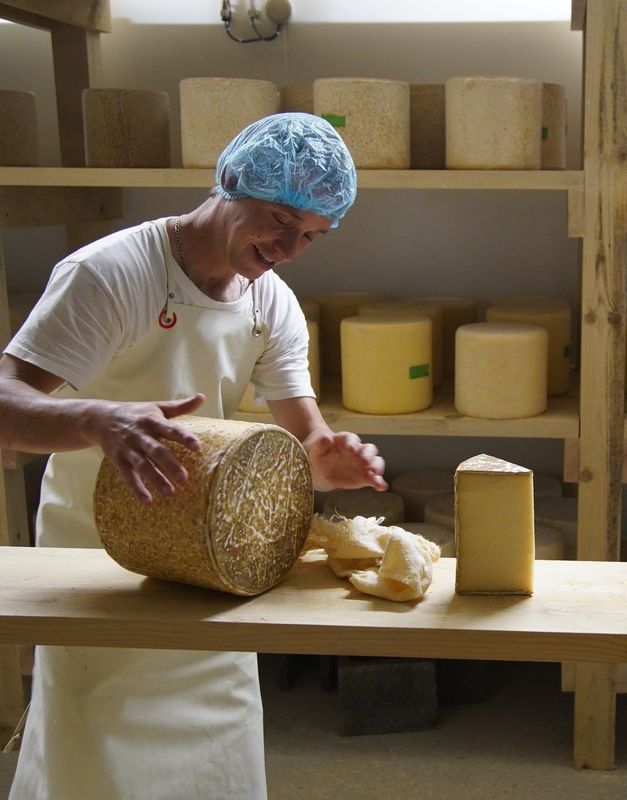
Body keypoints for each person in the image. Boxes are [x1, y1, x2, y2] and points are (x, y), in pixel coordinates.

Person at [0, 112, 387, 799]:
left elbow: (307, 439)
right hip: (99, 553)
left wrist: (327, 461)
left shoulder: (271, 302)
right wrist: (94, 418)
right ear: (230, 180)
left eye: (311, 235)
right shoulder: (110, 273)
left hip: (213, 556)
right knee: (95, 746)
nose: (289, 249)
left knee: (217, 747)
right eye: (279, 220)